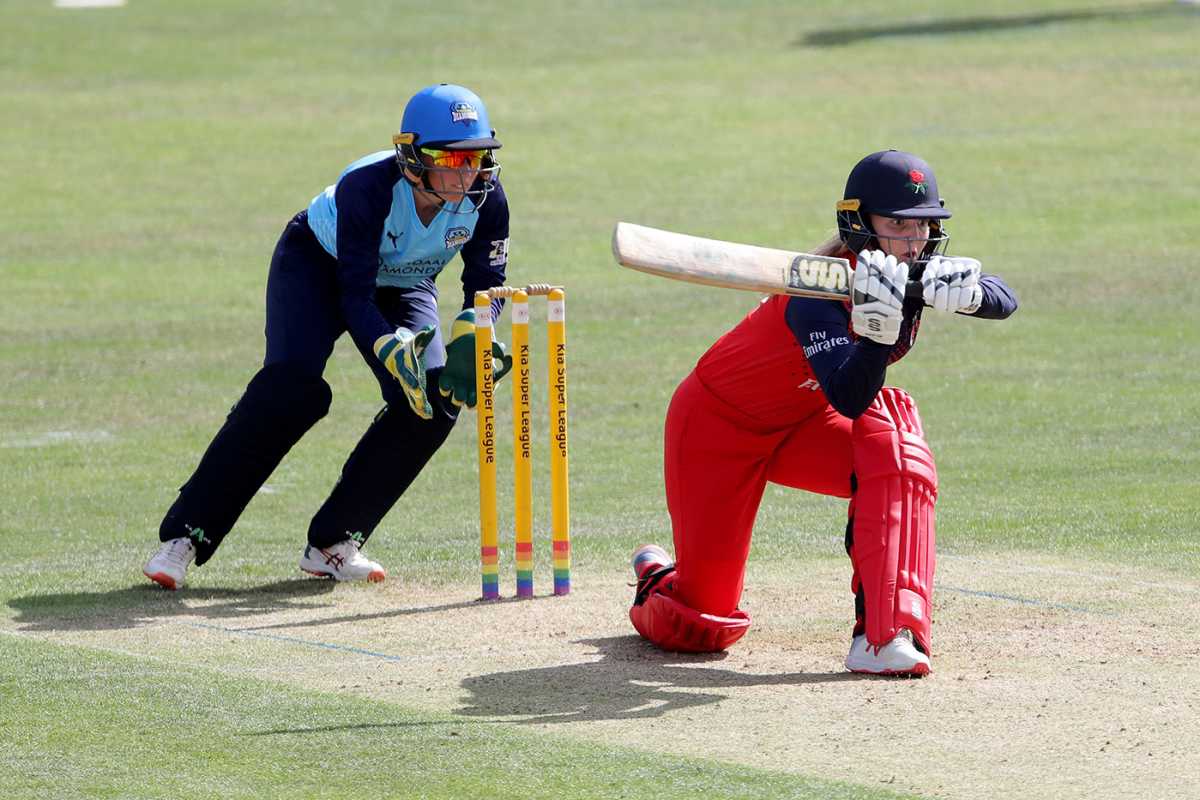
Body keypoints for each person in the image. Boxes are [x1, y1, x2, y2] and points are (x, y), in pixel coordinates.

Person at [627, 150, 1018, 676]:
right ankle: (656, 575)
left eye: (923, 223)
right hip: (716, 428)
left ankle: (885, 637)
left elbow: (1006, 298)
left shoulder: (916, 271)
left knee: (897, 453)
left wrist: (966, 292)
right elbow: (848, 395)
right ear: (859, 225)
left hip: (802, 425)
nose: (914, 238)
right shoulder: (814, 295)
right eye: (897, 223)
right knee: (702, 626)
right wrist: (877, 336)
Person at [144, 83, 512, 589]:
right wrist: (389, 348)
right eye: (447, 158)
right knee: (291, 389)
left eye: (474, 158)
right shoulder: (368, 187)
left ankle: (333, 543)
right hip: (319, 265)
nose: (464, 172)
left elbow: (484, 289)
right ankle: (185, 536)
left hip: (404, 282)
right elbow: (355, 295)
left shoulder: (487, 202)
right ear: (411, 156)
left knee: (432, 403)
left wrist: (477, 335)